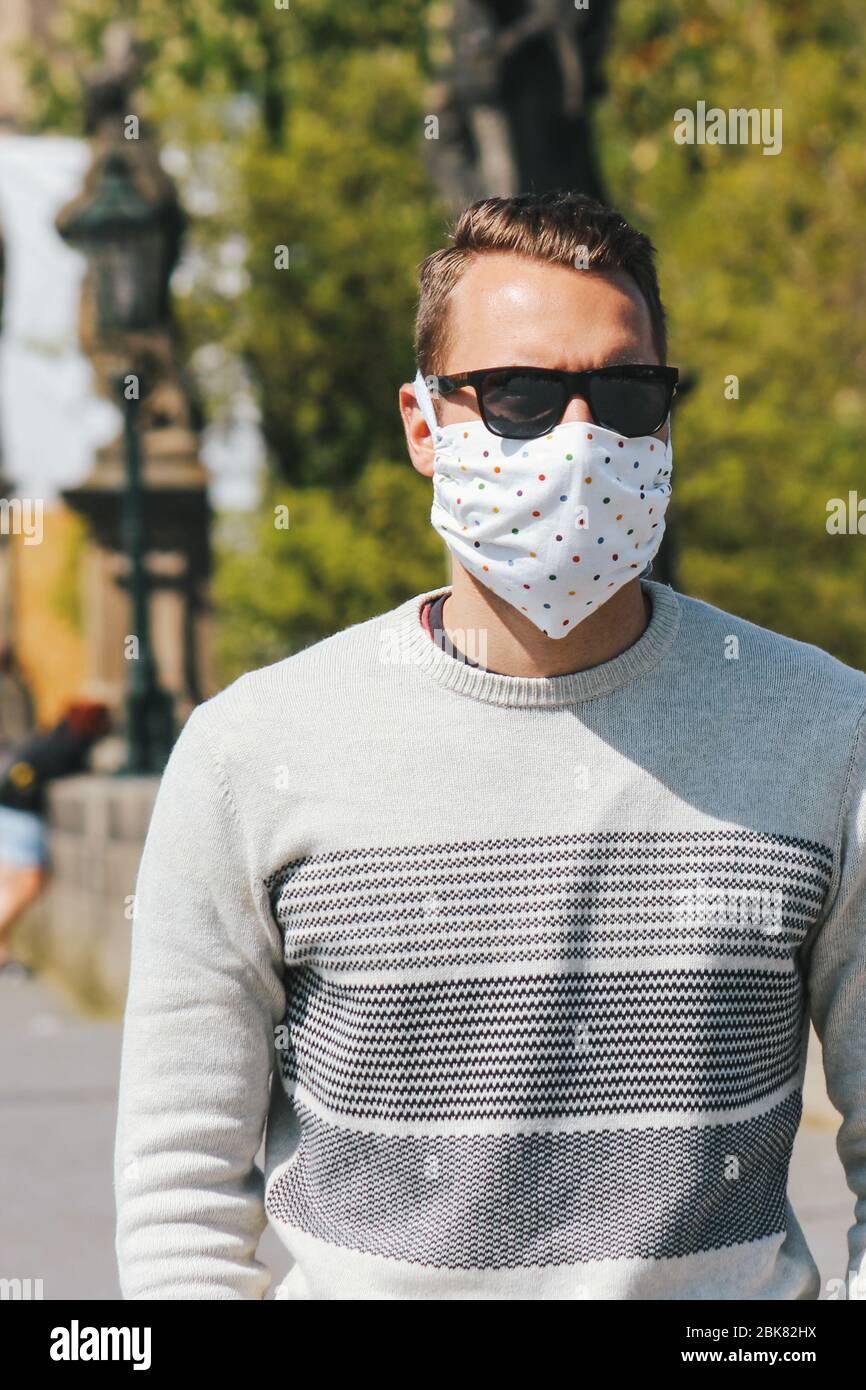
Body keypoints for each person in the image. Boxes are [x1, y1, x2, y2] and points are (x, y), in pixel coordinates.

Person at [114, 191, 866, 1301]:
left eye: (622, 393)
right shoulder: (251, 752)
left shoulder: (823, 728)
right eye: (515, 394)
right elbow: (180, 1190)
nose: (577, 438)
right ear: (424, 426)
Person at [0, 701, 110, 974]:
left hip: (8, 810)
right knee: (31, 880)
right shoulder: (71, 747)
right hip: (23, 816)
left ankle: (3, 954)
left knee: (10, 886)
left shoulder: (50, 738)